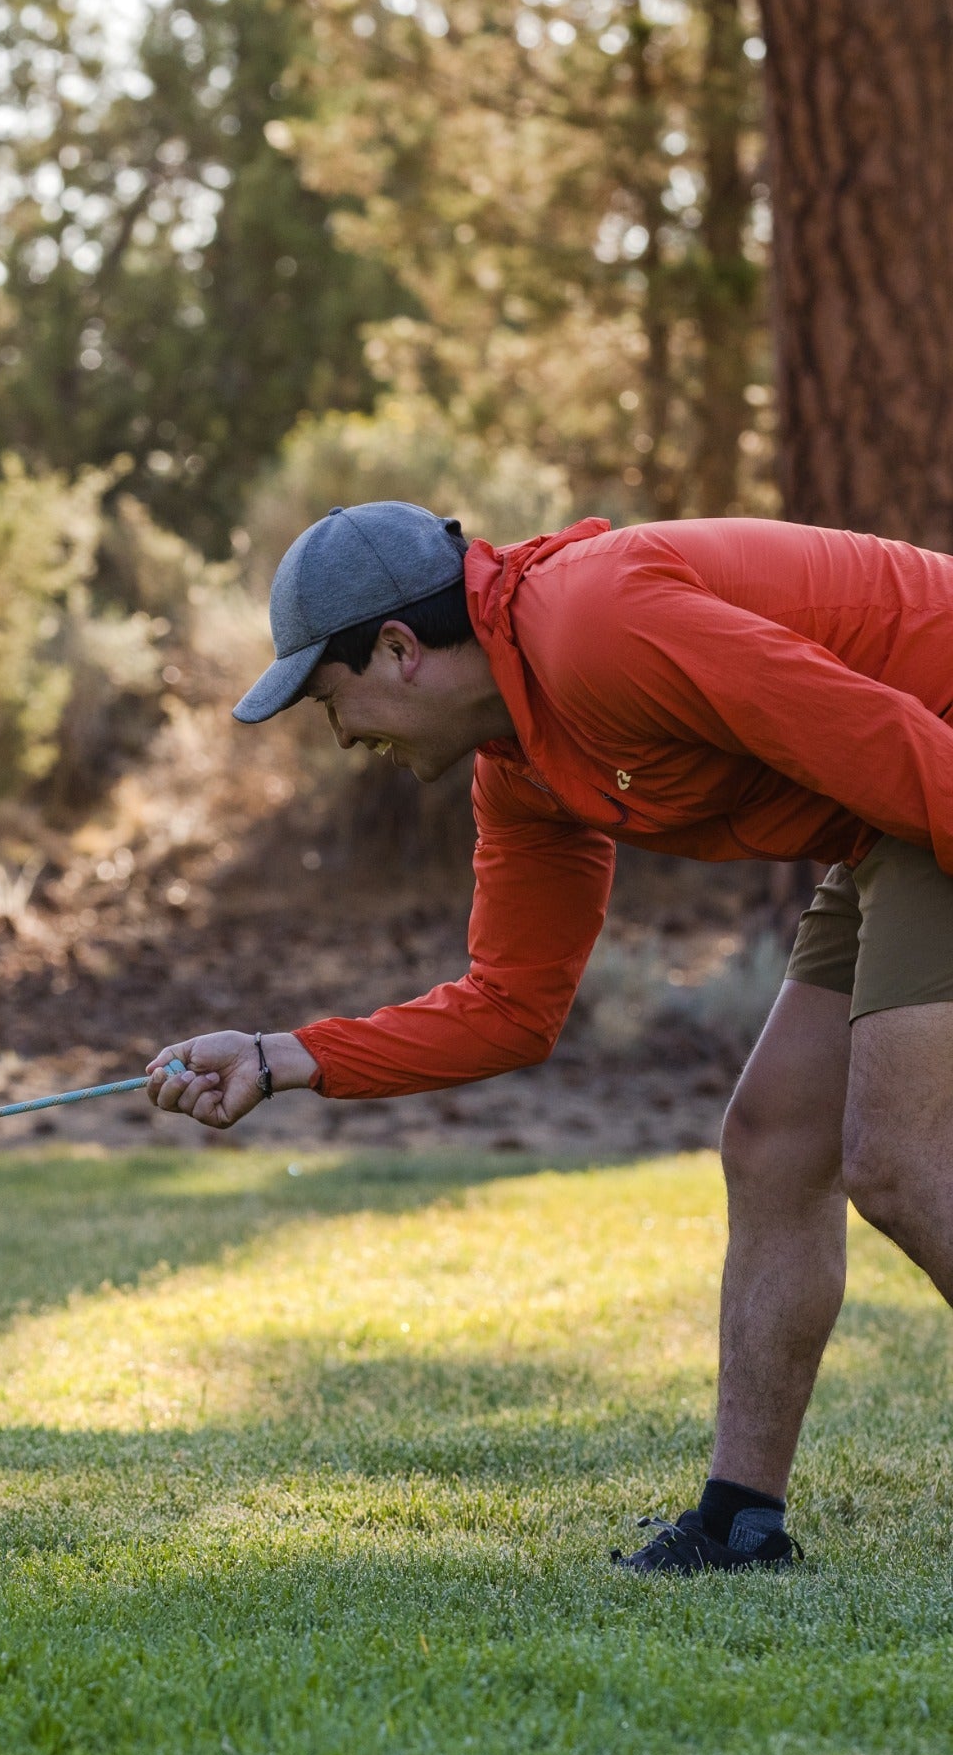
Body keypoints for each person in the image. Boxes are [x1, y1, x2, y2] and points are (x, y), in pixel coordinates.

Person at [145, 501, 953, 1572]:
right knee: (770, 1140)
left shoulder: (594, 624)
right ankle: (738, 1518)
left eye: (329, 699)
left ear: (397, 649)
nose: (341, 737)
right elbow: (513, 1006)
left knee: (894, 1157)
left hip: (927, 754)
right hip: (888, 808)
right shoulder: (521, 764)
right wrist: (280, 1054)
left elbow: (873, 733)